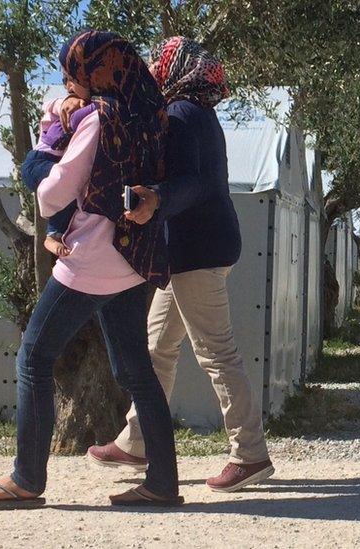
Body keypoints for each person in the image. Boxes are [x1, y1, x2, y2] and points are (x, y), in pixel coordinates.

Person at [0, 30, 181, 508]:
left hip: (89, 259)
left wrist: (49, 141)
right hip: (132, 261)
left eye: (73, 73)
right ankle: (163, 484)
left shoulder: (98, 118)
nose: (70, 83)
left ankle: (27, 480)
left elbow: (51, 195)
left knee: (33, 358)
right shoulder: (150, 110)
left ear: (93, 70)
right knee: (136, 371)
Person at [86, 36, 274, 493]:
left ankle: (249, 453)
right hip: (193, 251)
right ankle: (137, 440)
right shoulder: (195, 114)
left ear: (179, 68)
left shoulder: (185, 116)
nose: (154, 66)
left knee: (216, 353)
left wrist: (159, 199)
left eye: (161, 60)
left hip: (198, 253)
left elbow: (199, 183)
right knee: (157, 348)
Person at [20, 82, 97, 257]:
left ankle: (56, 234)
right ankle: (52, 234)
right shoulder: (70, 107)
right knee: (68, 183)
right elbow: (48, 105)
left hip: (54, 163)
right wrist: (65, 102)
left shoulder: (80, 104)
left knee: (71, 188)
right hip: (38, 162)